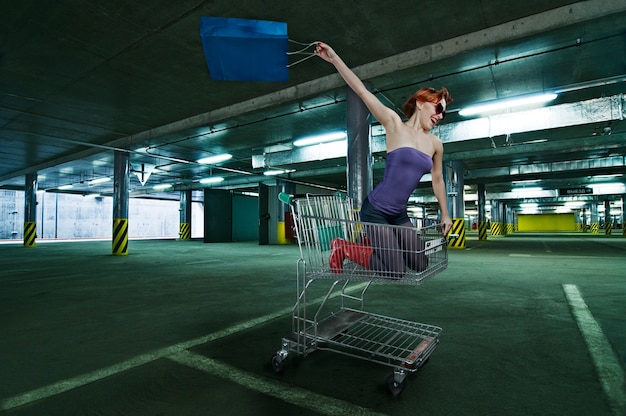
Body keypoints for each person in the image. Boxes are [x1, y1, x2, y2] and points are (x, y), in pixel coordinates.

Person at [314, 41, 453, 277]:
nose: (440, 116)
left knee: (420, 265)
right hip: (376, 210)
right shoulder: (394, 123)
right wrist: (335, 58)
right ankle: (344, 247)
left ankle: (378, 246)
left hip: (399, 213)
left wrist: (446, 213)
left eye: (443, 113)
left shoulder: (435, 144)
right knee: (396, 271)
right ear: (420, 103)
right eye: (438, 108)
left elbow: (437, 179)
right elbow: (361, 91)